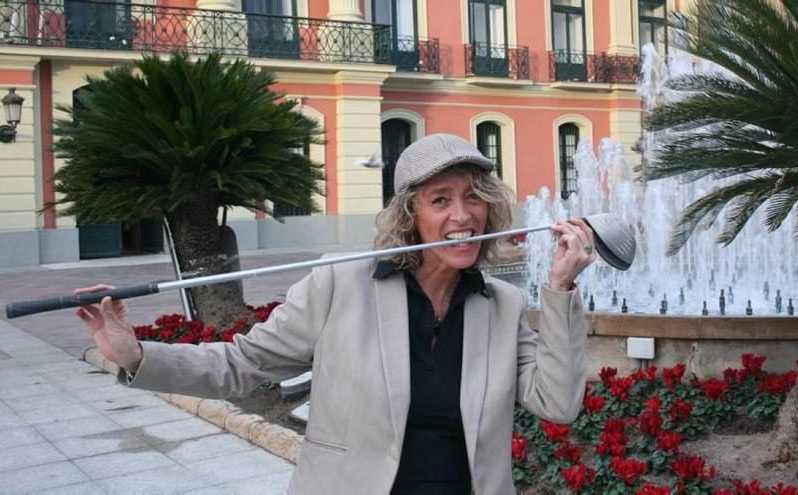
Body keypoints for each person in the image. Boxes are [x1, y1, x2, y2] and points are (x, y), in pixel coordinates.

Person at [75, 133, 596, 494]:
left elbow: (557, 403)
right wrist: (137, 355)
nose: (462, 215)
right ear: (410, 216)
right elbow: (242, 364)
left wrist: (560, 288)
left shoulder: (502, 305)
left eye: (473, 198)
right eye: (440, 200)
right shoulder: (339, 283)